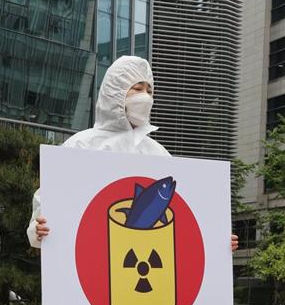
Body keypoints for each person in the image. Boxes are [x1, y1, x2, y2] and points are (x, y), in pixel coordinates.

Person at [27, 55, 237, 251]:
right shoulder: (81, 145)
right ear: (115, 91)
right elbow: (49, 203)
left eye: (149, 90)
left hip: (146, 255)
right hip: (94, 254)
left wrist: (216, 241)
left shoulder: (158, 154)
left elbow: (183, 213)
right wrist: (39, 229)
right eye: (137, 88)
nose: (145, 96)